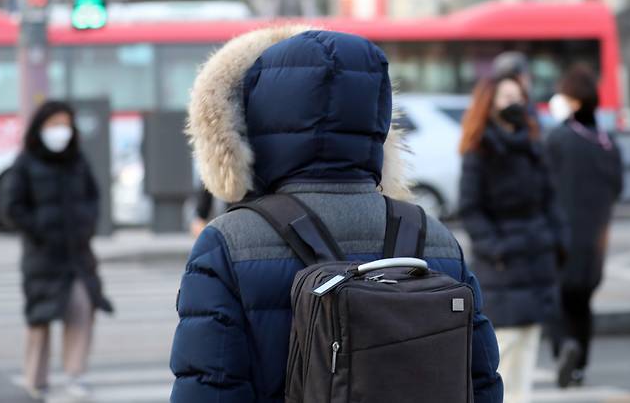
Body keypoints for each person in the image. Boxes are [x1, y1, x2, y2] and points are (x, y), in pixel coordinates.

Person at [169, 26, 503, 403]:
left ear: (257, 117)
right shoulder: (434, 237)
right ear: (378, 117)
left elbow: (207, 389)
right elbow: (482, 384)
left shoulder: (228, 243)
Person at [459, 75, 566, 403]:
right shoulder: (479, 150)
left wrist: (557, 241)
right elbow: (471, 208)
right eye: (505, 97)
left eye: (518, 96)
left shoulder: (534, 145)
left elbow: (550, 199)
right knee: (502, 352)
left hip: (537, 261)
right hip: (502, 267)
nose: (513, 104)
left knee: (529, 349)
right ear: (489, 102)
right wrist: (496, 249)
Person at [6, 101, 113, 399]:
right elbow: (12, 206)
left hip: (78, 255)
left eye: (65, 124)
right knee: (39, 319)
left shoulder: (77, 160)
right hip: (42, 256)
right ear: (40, 127)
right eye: (54, 124)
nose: (60, 131)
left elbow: (93, 196)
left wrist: (86, 226)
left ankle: (75, 375)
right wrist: (38, 231)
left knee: (82, 309)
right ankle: (35, 380)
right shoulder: (25, 162)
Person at [546, 64, 623, 388]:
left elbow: (544, 185)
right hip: (596, 238)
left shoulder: (559, 138)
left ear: (575, 101)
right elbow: (617, 188)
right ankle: (579, 366)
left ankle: (566, 346)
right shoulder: (609, 144)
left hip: (561, 235)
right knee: (583, 303)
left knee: (558, 300)